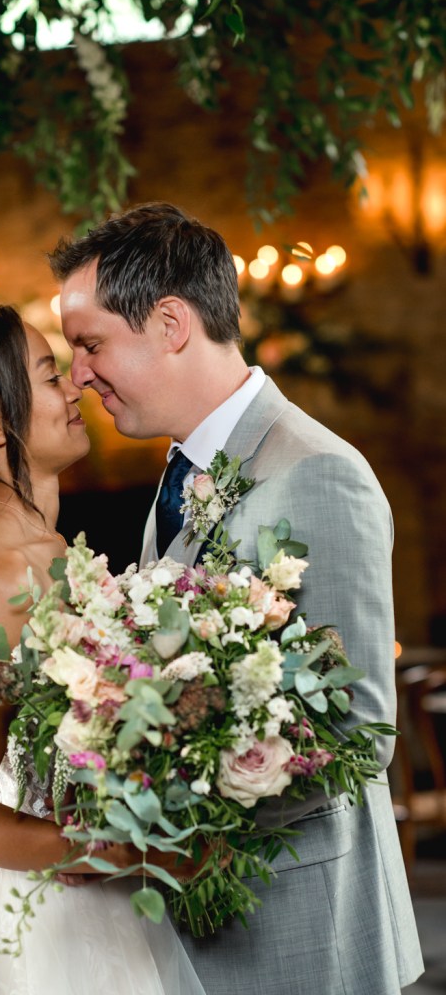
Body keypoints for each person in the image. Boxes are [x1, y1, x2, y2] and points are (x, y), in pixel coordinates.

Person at [50, 203, 425, 995]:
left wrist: (151, 825)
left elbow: (360, 727)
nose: (79, 373)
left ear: (171, 322)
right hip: (206, 928)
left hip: (300, 927)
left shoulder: (316, 472)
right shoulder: (182, 470)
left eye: (90, 344)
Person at [0, 305, 207, 995]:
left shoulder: (46, 551)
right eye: (51, 375)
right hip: (52, 927)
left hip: (102, 905)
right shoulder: (2, 570)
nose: (75, 387)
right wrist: (109, 853)